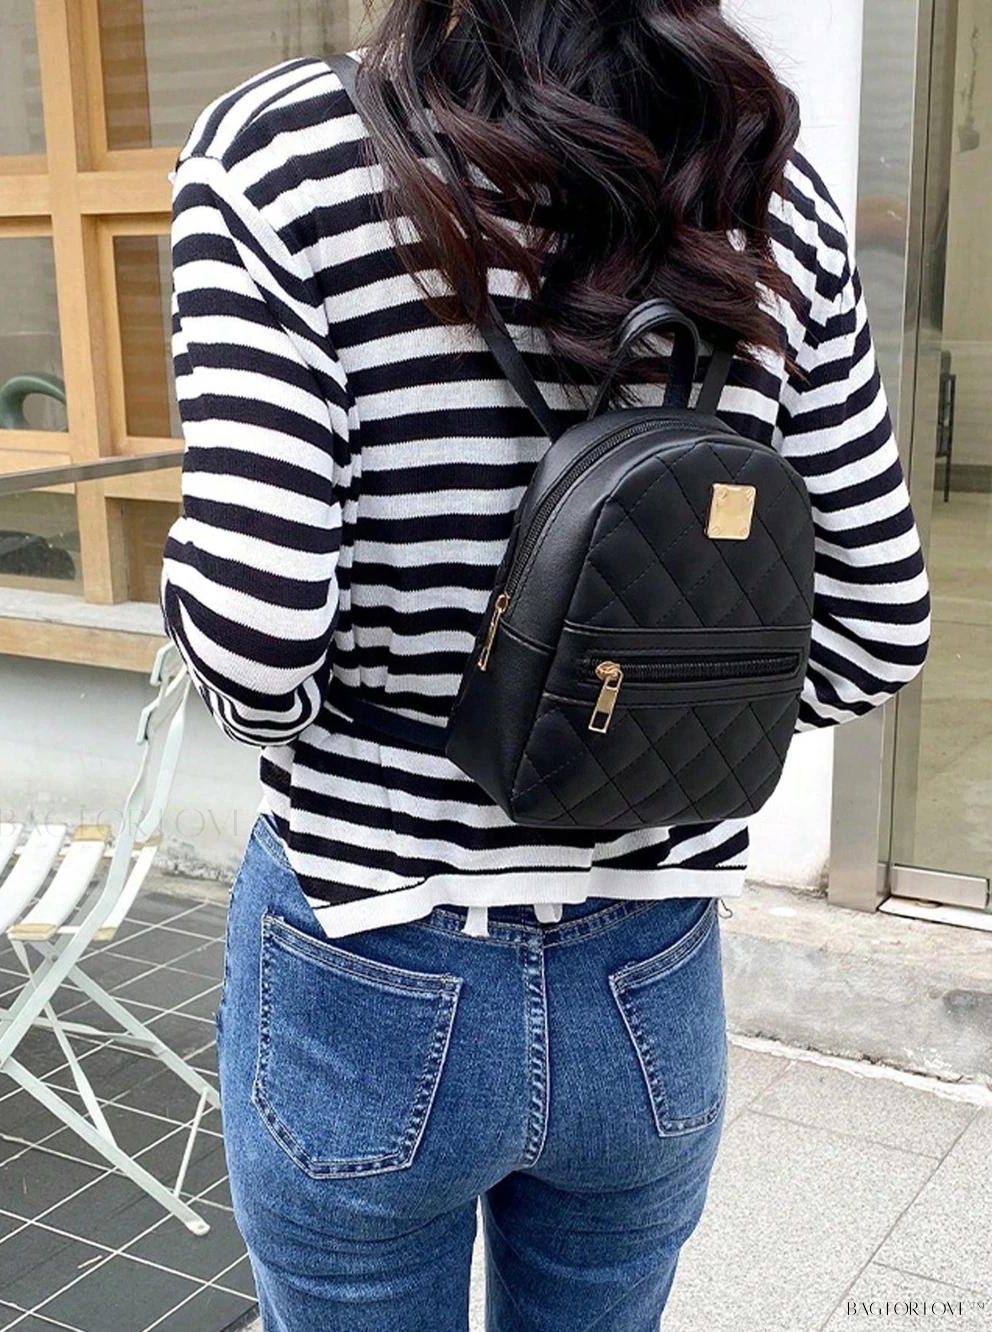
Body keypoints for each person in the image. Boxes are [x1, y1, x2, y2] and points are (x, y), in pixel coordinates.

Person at [159, 4, 931, 1328]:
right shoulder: (758, 179)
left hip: (368, 952)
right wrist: (647, 731)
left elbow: (257, 633)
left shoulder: (280, 153)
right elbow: (877, 633)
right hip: (649, 965)